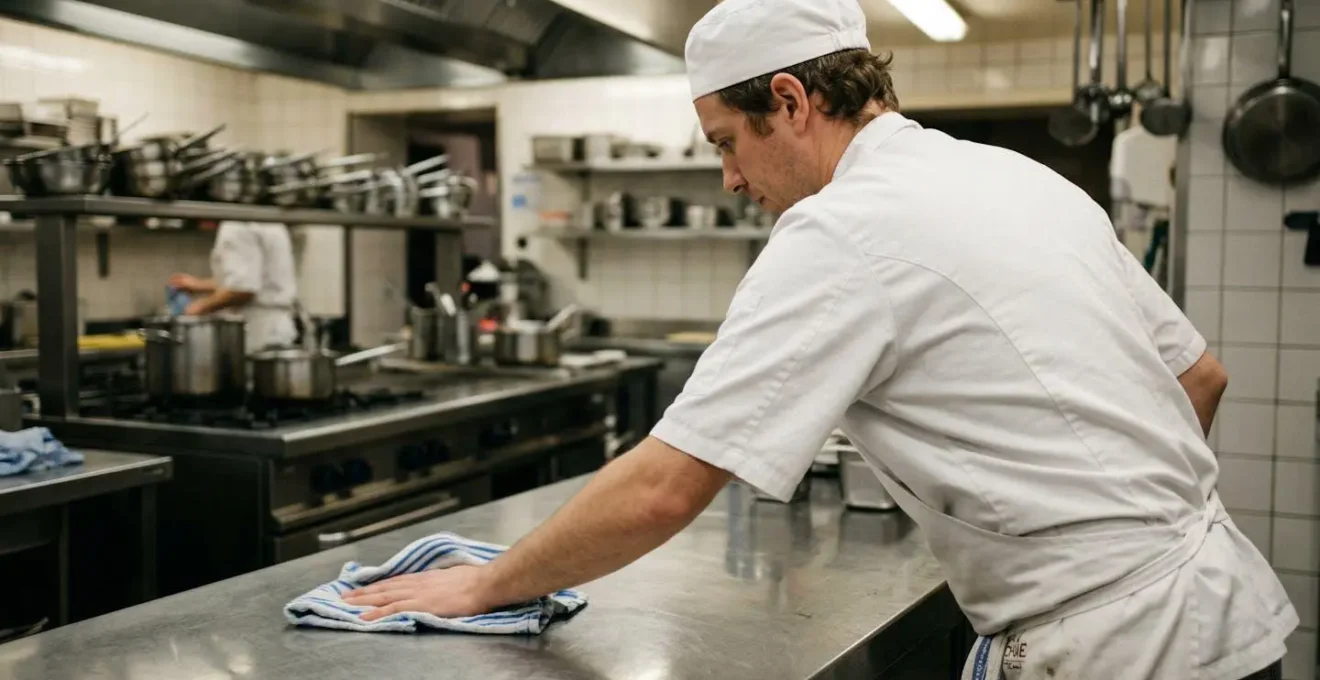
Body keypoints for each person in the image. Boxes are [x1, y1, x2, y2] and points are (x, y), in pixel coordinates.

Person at [344, 1, 1297, 677]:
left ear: (793, 101)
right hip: (1229, 616)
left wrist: (488, 586)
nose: (729, 178)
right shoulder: (1015, 176)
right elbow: (1200, 376)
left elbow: (666, 486)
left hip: (1115, 656)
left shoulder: (842, 229)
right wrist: (1122, 526)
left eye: (727, 141)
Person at [168, 220, 297, 350]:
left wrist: (199, 307)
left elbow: (243, 289)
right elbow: (252, 279)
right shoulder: (267, 220)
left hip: (256, 331)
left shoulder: (235, 226)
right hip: (276, 327)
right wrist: (198, 284)